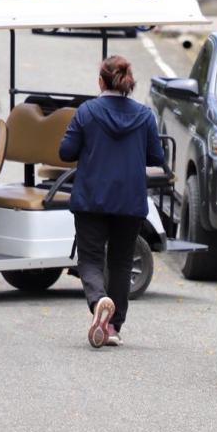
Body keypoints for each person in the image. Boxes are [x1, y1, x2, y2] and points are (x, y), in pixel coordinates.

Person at [59, 55, 163, 348]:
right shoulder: (145, 116)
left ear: (101, 82)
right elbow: (157, 157)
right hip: (130, 200)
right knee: (120, 262)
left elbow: (66, 151)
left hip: (91, 198)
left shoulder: (87, 112)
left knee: (91, 258)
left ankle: (98, 301)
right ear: (128, 82)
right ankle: (113, 327)